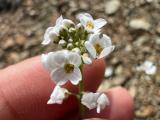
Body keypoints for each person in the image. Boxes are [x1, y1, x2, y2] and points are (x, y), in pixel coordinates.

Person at [0, 56, 134, 120]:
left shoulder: (75, 68)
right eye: (68, 67)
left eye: (70, 67)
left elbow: (76, 75)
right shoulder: (65, 71)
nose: (69, 67)